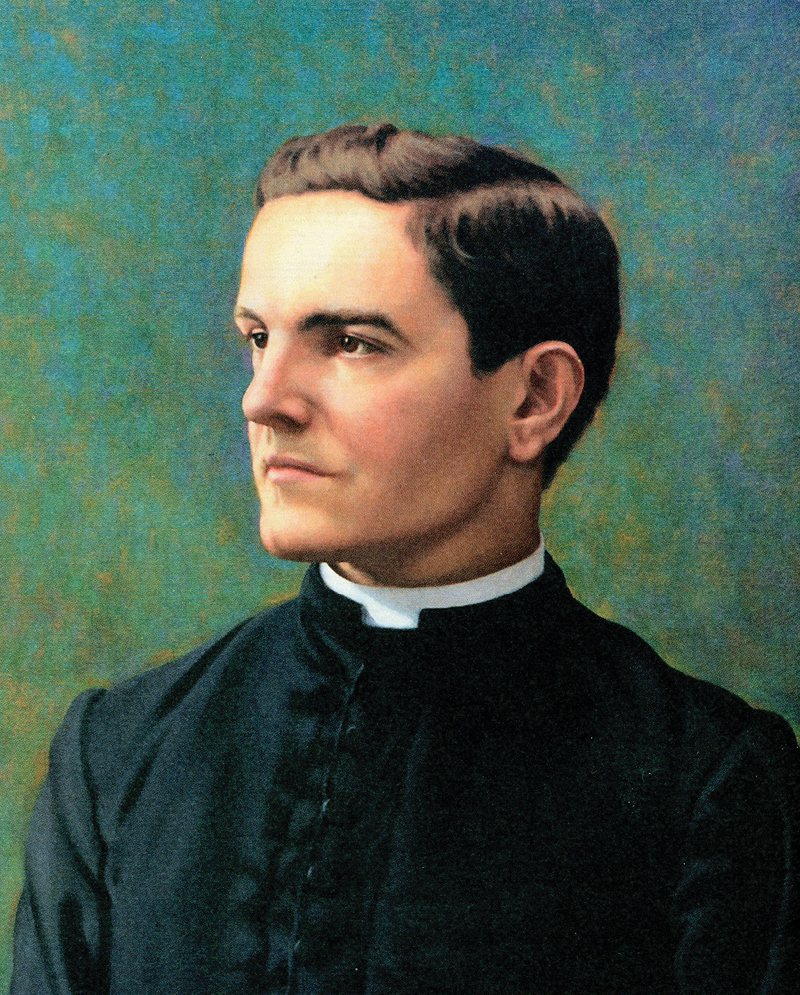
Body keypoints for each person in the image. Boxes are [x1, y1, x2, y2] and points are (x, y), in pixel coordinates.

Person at [11, 123, 799, 995]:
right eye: (258, 338)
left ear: (535, 398)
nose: (263, 399)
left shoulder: (710, 783)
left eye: (351, 342)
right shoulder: (119, 751)